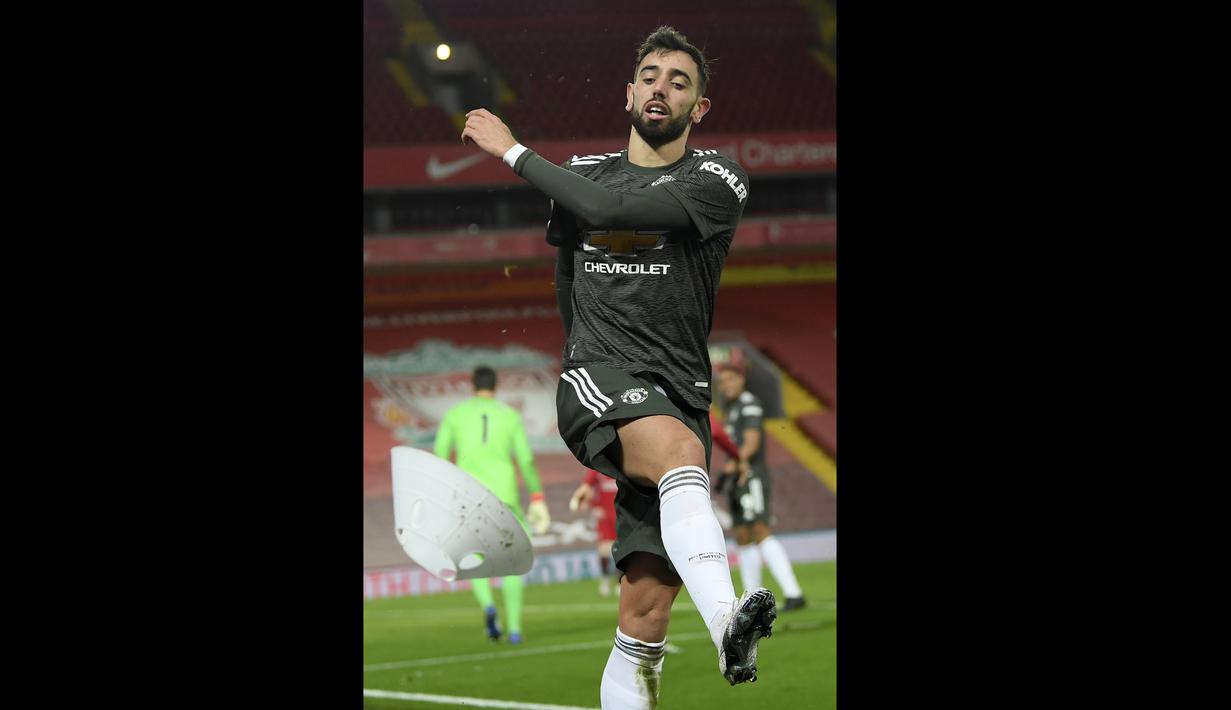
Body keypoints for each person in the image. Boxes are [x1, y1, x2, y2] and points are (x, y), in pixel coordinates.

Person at [462, 25, 775, 706]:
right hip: (598, 373)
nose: (661, 86)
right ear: (628, 92)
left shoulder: (716, 178)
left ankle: (687, 643)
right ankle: (726, 621)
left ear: (700, 109)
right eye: (651, 75)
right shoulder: (580, 172)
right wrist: (583, 379)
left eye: (679, 81)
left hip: (676, 395)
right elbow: (565, 277)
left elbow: (611, 210)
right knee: (679, 450)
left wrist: (511, 150)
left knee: (642, 620)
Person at [433, 365, 552, 645]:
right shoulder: (509, 415)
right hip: (505, 495)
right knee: (514, 560)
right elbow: (525, 459)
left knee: (475, 556)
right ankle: (514, 629)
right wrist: (536, 495)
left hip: (469, 495)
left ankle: (488, 605)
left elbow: (439, 455)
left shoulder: (455, 415)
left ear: (472, 386)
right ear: (496, 387)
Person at [715, 362, 806, 611]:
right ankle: (752, 599)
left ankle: (794, 593)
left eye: (730, 379)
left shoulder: (749, 404)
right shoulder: (732, 408)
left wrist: (734, 467)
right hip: (738, 476)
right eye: (722, 382)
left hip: (751, 474)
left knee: (760, 528)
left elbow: (752, 444)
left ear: (741, 380)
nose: (726, 385)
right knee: (743, 535)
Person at [570, 468, 620, 596]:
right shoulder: (597, 468)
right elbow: (587, 488)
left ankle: (620, 582)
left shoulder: (621, 467)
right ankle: (605, 579)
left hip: (621, 515)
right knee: (604, 550)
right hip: (604, 516)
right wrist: (593, 506)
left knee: (620, 550)